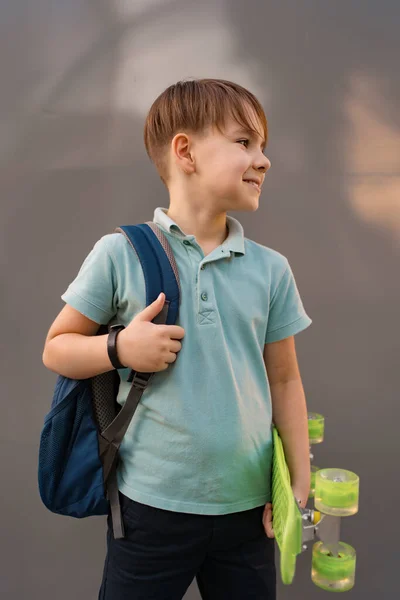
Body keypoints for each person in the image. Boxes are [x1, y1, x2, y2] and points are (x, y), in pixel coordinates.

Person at [42, 78, 312, 600]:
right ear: (185, 152)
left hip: (249, 512)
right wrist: (119, 349)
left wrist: (297, 482)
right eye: (244, 142)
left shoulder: (272, 270)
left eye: (263, 147)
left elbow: (285, 379)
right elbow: (56, 348)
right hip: (149, 510)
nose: (263, 160)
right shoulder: (118, 253)